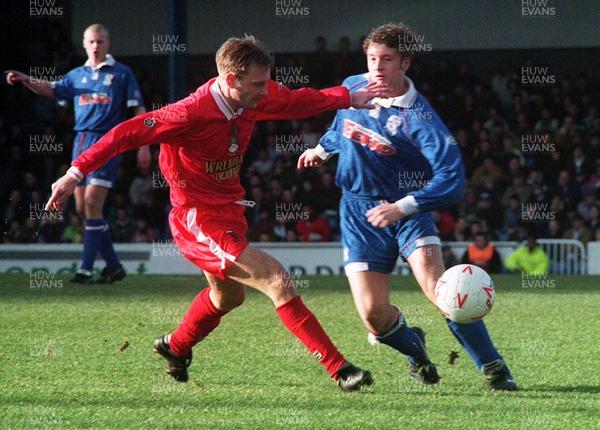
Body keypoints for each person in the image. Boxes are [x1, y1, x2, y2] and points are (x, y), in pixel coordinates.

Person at [45, 35, 387, 392]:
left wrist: (348, 97)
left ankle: (175, 347)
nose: (265, 91)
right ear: (230, 80)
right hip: (197, 218)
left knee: (229, 297)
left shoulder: (253, 98)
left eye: (266, 82)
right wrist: (75, 173)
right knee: (277, 280)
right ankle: (341, 370)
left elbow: (297, 101)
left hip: (229, 210)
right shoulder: (188, 113)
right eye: (257, 84)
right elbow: (125, 133)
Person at [298, 22, 517, 390]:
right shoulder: (354, 86)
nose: (377, 68)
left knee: (443, 291)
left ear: (405, 64)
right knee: (373, 316)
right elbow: (342, 123)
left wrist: (404, 207)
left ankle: (495, 369)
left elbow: (452, 177)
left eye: (386, 60)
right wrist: (322, 149)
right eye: (371, 59)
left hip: (407, 214)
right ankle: (418, 354)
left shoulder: (420, 118)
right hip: (358, 211)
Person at [6, 24, 148, 284]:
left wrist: (144, 145)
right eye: (92, 41)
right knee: (83, 209)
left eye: (101, 41)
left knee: (93, 203)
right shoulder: (77, 75)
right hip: (81, 141)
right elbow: (51, 88)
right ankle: (114, 266)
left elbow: (138, 108)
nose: (96, 46)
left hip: (108, 141)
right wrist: (26, 79)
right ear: (84, 44)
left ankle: (84, 269)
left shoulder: (122, 73)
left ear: (108, 44)